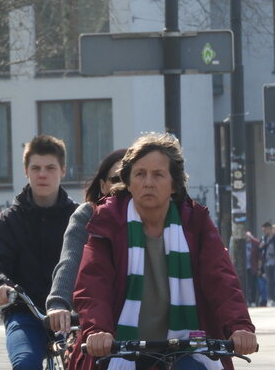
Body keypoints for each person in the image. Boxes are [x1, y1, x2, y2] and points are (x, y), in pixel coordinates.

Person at [72, 132, 257, 370]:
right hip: (120, 348)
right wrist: (97, 330)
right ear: (128, 182)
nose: (148, 182)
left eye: (158, 174)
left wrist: (239, 326)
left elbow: (221, 278)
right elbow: (92, 284)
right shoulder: (108, 222)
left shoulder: (195, 223)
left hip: (184, 347)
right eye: (140, 174)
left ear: (174, 184)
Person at [0, 135, 79, 370]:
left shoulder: (79, 217)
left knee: (87, 363)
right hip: (25, 314)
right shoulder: (7, 220)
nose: (42, 174)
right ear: (26, 171)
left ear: (63, 170)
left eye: (50, 167)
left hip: (71, 316)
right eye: (36, 168)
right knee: (25, 363)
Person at [45, 148, 127, 333]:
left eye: (130, 177)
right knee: (26, 360)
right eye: (116, 179)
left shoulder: (155, 217)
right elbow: (71, 259)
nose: (124, 186)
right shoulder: (88, 214)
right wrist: (58, 302)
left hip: (147, 321)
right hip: (94, 318)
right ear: (103, 185)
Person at [260, 221, 275, 307]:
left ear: (270, 229)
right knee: (269, 282)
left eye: (265, 230)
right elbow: (260, 250)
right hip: (267, 262)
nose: (264, 232)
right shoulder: (263, 238)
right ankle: (270, 299)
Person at [245, 231, 262, 307]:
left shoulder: (255, 243)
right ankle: (246, 300)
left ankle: (253, 301)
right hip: (243, 267)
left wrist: (259, 268)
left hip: (253, 267)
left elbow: (259, 257)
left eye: (248, 237)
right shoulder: (240, 242)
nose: (247, 239)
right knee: (245, 284)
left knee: (252, 285)